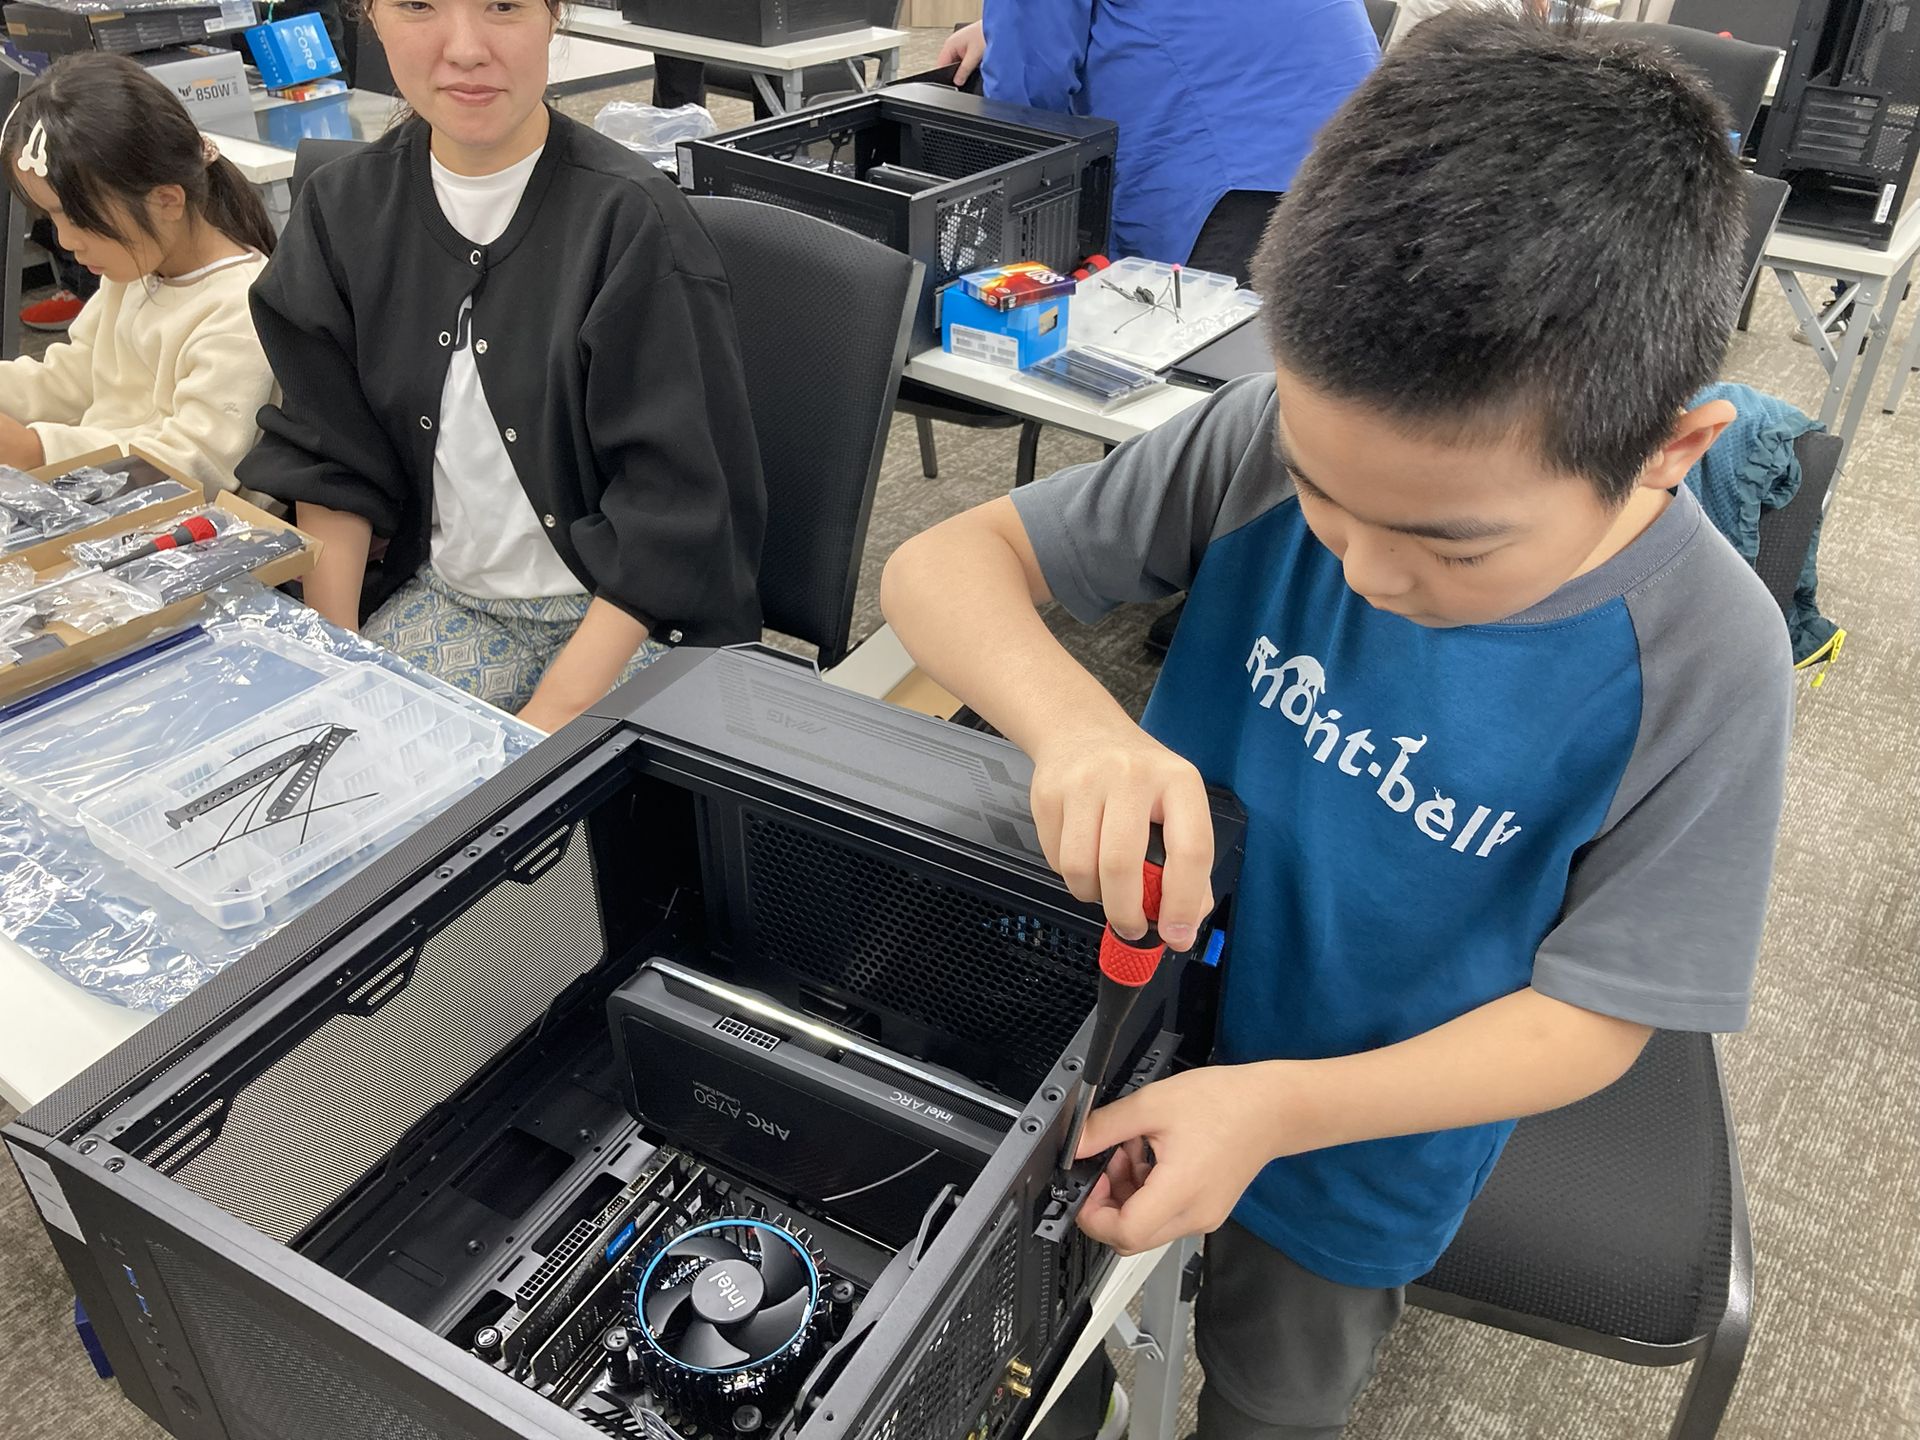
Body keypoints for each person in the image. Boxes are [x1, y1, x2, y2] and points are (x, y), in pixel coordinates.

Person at [883, 13, 1792, 1437]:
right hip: (1127, 1023)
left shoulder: (1707, 660)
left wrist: (1278, 1112)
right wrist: (1079, 727)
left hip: (1354, 1145)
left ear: (1669, 450)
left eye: (1450, 542)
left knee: (1274, 1396)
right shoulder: (1259, 436)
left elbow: (1597, 1019)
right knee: (1035, 1337)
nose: (1361, 570)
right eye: (1323, 495)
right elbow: (942, 567)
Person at [239, 0, 766, 734]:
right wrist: (339, 664)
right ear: (371, 19)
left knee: (524, 795)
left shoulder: (632, 222)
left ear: (554, 16)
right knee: (331, 763)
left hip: (635, 617)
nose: (465, 49)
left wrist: (550, 718)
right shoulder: (341, 208)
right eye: (418, 5)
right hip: (454, 598)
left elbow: (674, 510)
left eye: (504, 5)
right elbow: (329, 456)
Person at [940, 0, 1378, 282]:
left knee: (1193, 376)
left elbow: (1027, 94)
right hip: (1359, 150)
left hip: (1231, 173)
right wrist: (999, 28)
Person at [0, 55, 276, 495]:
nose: (66, 240)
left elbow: (194, 463)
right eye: (52, 218)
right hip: (99, 497)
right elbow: (74, 377)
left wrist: (37, 450)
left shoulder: (240, 309)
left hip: (179, 524)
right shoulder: (136, 267)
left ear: (166, 201)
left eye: (80, 219)